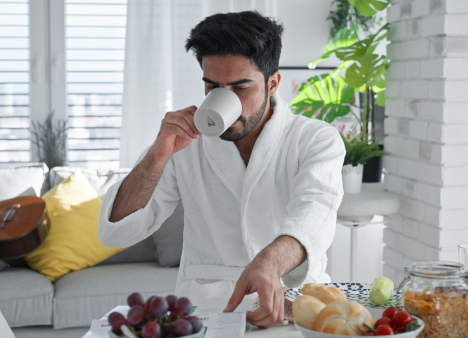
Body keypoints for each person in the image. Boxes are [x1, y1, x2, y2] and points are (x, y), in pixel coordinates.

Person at [98, 10, 345, 328]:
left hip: (293, 305)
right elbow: (117, 231)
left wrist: (269, 264)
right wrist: (157, 157)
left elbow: (315, 215)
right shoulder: (185, 142)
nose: (225, 101)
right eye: (213, 87)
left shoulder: (315, 139)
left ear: (272, 83)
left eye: (241, 88)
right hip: (208, 311)